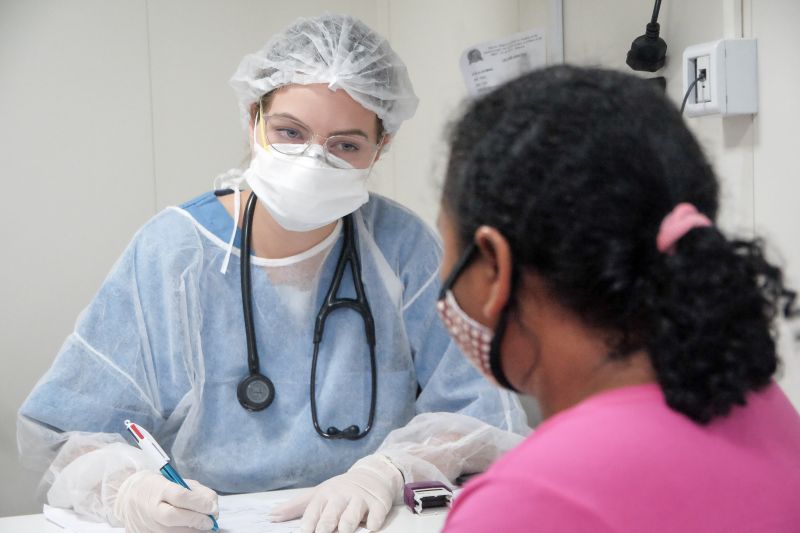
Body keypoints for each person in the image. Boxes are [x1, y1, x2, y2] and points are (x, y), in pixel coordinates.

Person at [17, 14, 528, 533]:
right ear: (252, 117)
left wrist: (385, 471)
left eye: (345, 145)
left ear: (382, 146)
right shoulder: (174, 254)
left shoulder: (400, 246)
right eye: (290, 132)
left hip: (366, 521)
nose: (313, 161)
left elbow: (481, 413)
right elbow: (70, 431)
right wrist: (130, 490)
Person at [436, 65, 800, 532]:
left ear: (493, 265)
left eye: (447, 253)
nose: (443, 282)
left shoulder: (530, 501)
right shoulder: (765, 409)